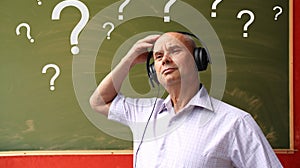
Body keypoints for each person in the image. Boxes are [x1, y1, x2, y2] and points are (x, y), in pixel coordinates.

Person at [89, 31, 283, 168]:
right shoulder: (145, 113)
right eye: (158, 56)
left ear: (198, 59)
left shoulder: (234, 122)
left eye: (174, 50)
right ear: (153, 71)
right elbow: (99, 101)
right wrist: (129, 58)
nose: (164, 59)